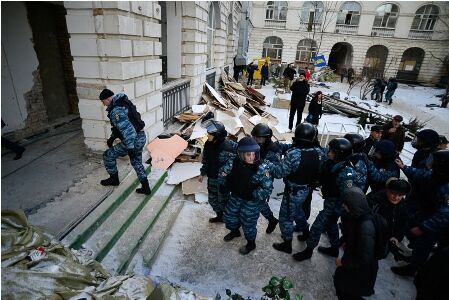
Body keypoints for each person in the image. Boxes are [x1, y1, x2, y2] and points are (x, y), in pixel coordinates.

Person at [392, 151, 449, 276]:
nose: (431, 163)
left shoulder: (447, 186)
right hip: (430, 213)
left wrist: (424, 227)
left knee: (425, 243)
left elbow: (445, 214)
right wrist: (404, 167)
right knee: (418, 240)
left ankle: (414, 268)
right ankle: (415, 259)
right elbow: (421, 174)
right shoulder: (437, 175)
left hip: (438, 223)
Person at [271, 123, 325, 255]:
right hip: (307, 190)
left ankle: (287, 244)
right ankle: (306, 231)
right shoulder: (319, 152)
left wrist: (274, 161)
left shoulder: (293, 154)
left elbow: (279, 173)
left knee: (286, 217)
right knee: (297, 211)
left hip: (293, 191)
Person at [221, 137, 274, 255]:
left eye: (254, 154)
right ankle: (234, 231)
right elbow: (223, 173)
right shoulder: (234, 162)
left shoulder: (261, 168)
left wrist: (252, 193)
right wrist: (224, 183)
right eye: (248, 154)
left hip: (252, 199)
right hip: (236, 195)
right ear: (241, 155)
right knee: (229, 216)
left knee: (248, 222)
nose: (252, 157)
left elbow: (267, 189)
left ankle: (251, 243)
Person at [99, 89, 151, 195]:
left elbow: (128, 131)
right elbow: (122, 126)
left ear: (108, 99)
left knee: (108, 155)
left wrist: (130, 148)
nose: (103, 105)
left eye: (103, 101)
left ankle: (114, 179)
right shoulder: (123, 102)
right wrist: (112, 137)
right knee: (136, 162)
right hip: (140, 136)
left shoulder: (116, 110)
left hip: (133, 140)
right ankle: (146, 187)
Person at [334, 187, 379, 300]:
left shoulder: (365, 227)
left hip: (359, 271)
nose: (345, 208)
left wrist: (343, 263)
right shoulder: (360, 216)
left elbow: (365, 257)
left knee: (347, 293)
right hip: (355, 264)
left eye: (346, 207)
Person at [199, 120, 237, 223]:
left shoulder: (227, 147)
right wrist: (202, 173)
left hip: (222, 181)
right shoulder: (208, 144)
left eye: (210, 133)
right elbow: (206, 160)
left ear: (217, 135)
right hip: (212, 177)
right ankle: (220, 216)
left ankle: (232, 222)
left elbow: (233, 164)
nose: (208, 135)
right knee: (212, 200)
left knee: (224, 202)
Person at [368, 178, 410, 261]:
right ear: (387, 190)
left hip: (389, 240)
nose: (396, 197)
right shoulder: (375, 203)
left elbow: (404, 222)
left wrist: (396, 237)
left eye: (400, 195)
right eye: (393, 193)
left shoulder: (402, 204)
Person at [251, 123, 280, 233]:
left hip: (264, 181)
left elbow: (276, 171)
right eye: (255, 137)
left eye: (260, 138)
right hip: (252, 176)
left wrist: (264, 163)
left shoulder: (273, 149)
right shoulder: (254, 144)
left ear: (267, 138)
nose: (257, 140)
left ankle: (271, 220)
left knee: (259, 203)